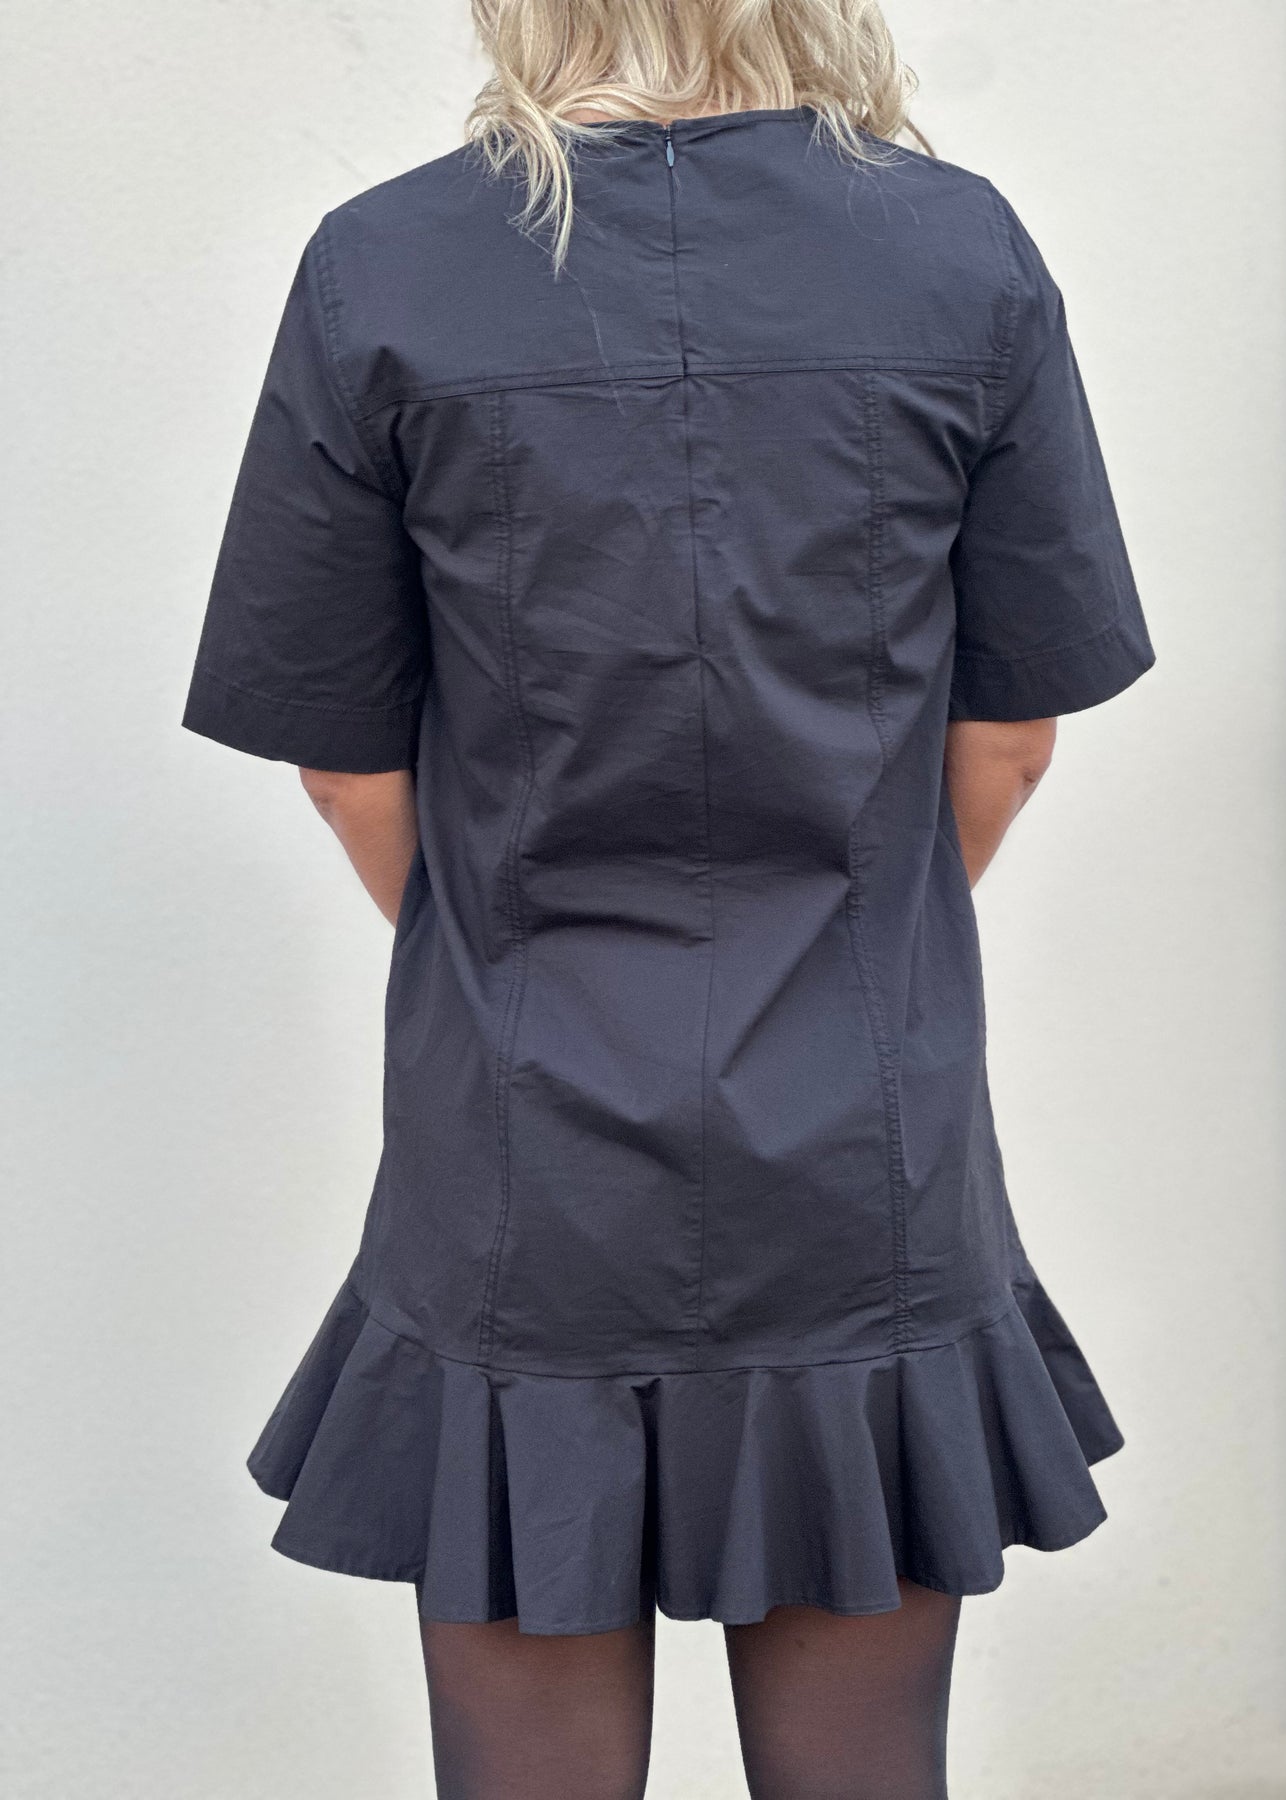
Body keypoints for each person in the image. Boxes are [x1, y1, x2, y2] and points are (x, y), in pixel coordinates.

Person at [181, 0, 1156, 1793]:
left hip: (521, 1158)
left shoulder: (387, 262)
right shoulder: (956, 251)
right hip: (858, 1144)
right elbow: (1008, 740)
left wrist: (513, 969)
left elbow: (342, 765)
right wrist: (848, 948)